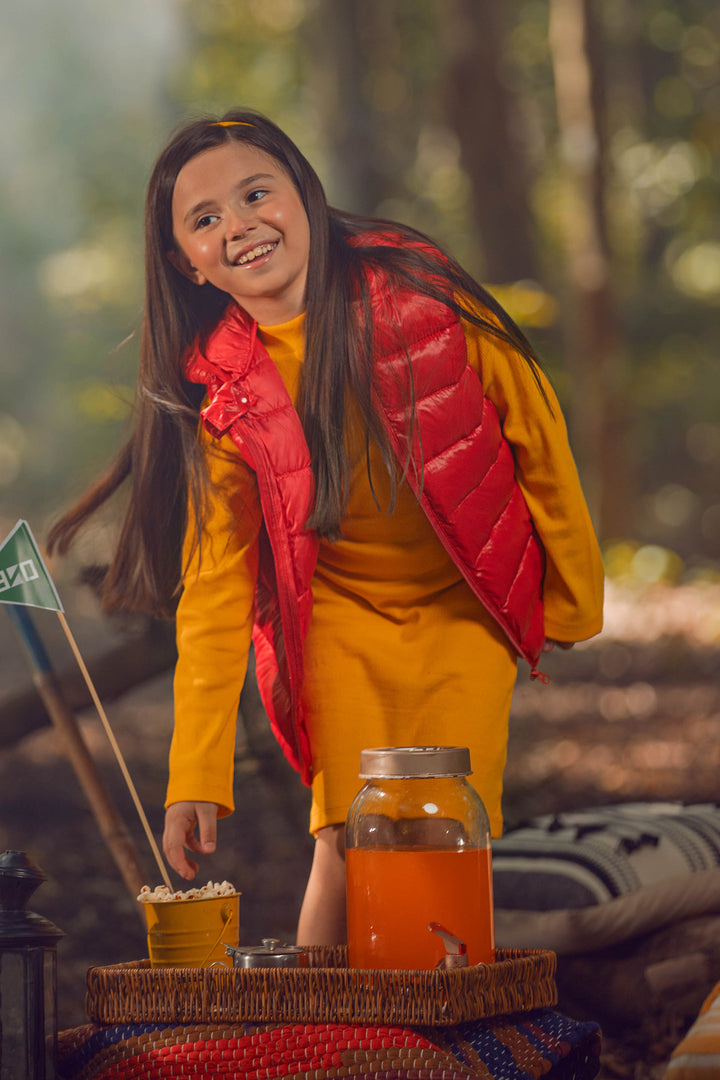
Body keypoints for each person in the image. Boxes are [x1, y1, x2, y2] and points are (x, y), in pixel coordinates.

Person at [48, 108, 604, 945]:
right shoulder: (226, 396)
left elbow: (536, 430)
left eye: (255, 193)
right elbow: (215, 584)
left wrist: (569, 596)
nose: (239, 226)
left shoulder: (420, 292)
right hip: (340, 614)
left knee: (446, 825)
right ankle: (319, 1036)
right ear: (186, 264)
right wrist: (194, 775)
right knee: (345, 835)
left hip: (462, 608)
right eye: (205, 220)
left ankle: (436, 1026)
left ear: (303, 195)